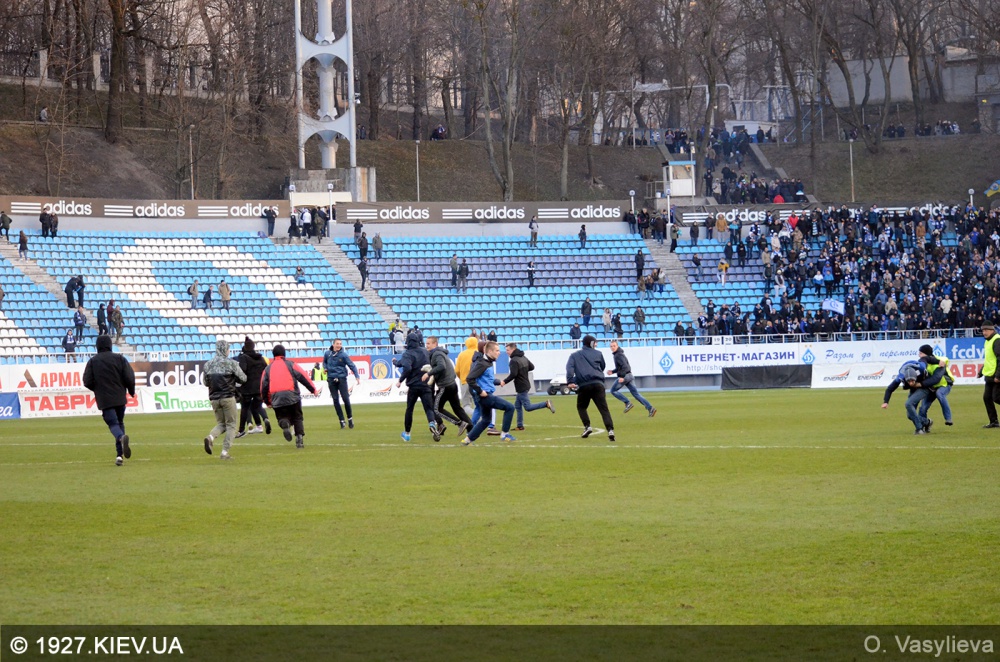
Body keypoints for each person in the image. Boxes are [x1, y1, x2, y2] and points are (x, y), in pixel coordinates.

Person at [83, 334, 136, 466]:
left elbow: (87, 381)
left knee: (113, 424)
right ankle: (119, 456)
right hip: (120, 397)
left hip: (105, 399)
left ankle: (121, 438)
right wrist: (131, 391)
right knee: (120, 423)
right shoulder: (120, 359)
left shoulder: (93, 361)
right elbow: (129, 377)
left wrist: (97, 389)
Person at [461, 341, 517, 445]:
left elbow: (486, 379)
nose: (499, 353)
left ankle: (467, 440)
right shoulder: (482, 363)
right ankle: (505, 434)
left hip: (485, 395)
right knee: (510, 407)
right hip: (485, 396)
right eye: (497, 350)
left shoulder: (488, 363)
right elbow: (469, 378)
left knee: (486, 420)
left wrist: (498, 382)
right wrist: (480, 391)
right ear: (490, 351)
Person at [261, 344, 317, 448]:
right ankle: (299, 439)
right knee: (297, 417)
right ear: (284, 354)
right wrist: (313, 389)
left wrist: (267, 401)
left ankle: (285, 423)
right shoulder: (291, 364)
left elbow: (263, 386)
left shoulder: (267, 369)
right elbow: (303, 376)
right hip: (292, 395)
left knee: (281, 417)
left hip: (276, 397)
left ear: (273, 355)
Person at [201, 339, 247, 459]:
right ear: (225, 349)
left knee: (221, 424)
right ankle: (224, 452)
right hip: (228, 397)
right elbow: (243, 378)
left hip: (214, 399)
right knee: (231, 425)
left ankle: (210, 437)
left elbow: (205, 382)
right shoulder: (231, 363)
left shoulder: (208, 364)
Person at [566, 335, 615, 441]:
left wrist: (570, 381)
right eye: (595, 342)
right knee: (604, 409)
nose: (596, 344)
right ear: (591, 343)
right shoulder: (598, 353)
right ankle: (610, 430)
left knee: (581, 407)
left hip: (584, 385)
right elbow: (602, 366)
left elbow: (569, 368)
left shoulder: (574, 355)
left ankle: (587, 426)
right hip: (598, 384)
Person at [396, 331, 440, 442]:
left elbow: (407, 367)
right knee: (428, 408)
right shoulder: (425, 351)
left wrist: (400, 380)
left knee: (410, 409)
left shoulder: (407, 353)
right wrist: (396, 362)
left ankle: (407, 433)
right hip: (425, 384)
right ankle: (432, 423)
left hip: (413, 386)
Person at [425, 336, 471, 437]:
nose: (426, 345)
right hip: (452, 384)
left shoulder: (437, 354)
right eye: (426, 343)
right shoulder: (440, 353)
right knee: (457, 408)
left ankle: (459, 423)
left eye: (428, 343)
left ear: (435, 344)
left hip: (445, 386)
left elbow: (441, 366)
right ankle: (471, 427)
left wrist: (429, 373)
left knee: (436, 408)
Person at [502, 342, 554, 430]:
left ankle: (545, 404)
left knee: (528, 407)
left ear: (513, 349)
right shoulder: (523, 357)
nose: (506, 352)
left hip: (521, 386)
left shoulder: (514, 360)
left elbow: (513, 374)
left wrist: (504, 381)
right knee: (517, 406)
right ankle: (520, 426)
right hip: (525, 383)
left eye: (508, 350)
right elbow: (532, 367)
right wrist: (523, 371)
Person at [881, 360, 935, 435]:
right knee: (910, 415)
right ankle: (927, 422)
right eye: (909, 381)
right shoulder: (901, 376)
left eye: (912, 380)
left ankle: (919, 429)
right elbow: (890, 389)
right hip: (914, 388)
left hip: (924, 387)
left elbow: (930, 378)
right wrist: (886, 402)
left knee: (908, 404)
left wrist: (922, 384)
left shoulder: (921, 369)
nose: (911, 383)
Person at [608, 340, 656, 416]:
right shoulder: (619, 354)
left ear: (617, 346)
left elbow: (625, 367)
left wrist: (622, 377)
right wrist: (613, 371)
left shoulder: (618, 355)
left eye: (614, 346)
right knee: (636, 394)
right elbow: (620, 367)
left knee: (613, 390)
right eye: (611, 346)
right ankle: (650, 408)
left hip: (625, 376)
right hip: (629, 375)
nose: (612, 347)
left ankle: (627, 402)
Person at [236, 337, 271, 438]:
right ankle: (265, 419)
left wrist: (238, 381)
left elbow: (242, 371)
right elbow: (266, 371)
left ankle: (241, 430)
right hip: (259, 387)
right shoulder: (261, 358)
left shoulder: (243, 357)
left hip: (247, 388)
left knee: (245, 408)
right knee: (257, 406)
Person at [323, 338, 361, 429]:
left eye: (340, 344)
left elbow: (352, 365)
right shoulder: (327, 353)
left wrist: (357, 376)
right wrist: (325, 368)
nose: (339, 345)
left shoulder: (343, 355)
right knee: (335, 400)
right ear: (333, 344)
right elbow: (324, 362)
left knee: (345, 399)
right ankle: (341, 420)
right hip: (331, 378)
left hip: (341, 378)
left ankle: (350, 418)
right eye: (337, 343)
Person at [917, 344, 953, 426]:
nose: (919, 355)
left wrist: (942, 362)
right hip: (931, 387)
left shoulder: (940, 360)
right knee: (923, 407)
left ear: (926, 354)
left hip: (944, 384)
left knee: (940, 394)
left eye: (921, 353)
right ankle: (925, 424)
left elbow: (945, 359)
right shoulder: (923, 363)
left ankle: (948, 418)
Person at [979, 322, 1000, 428]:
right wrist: (981, 371)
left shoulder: (997, 340)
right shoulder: (987, 341)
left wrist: (998, 375)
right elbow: (989, 359)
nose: (984, 332)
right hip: (989, 375)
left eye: (986, 330)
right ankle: (994, 421)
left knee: (996, 397)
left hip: (996, 375)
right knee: (987, 398)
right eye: (983, 330)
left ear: (992, 330)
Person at [455, 335, 480, 416]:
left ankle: (478, 417)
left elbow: (457, 370)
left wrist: (462, 378)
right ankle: (481, 418)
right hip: (478, 382)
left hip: (465, 381)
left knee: (466, 406)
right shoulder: (480, 353)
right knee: (480, 404)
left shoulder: (462, 354)